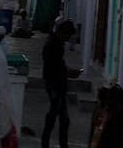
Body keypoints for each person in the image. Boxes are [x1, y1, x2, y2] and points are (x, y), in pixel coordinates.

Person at [41, 19, 79, 148]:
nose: (69, 38)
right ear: (63, 33)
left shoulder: (56, 43)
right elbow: (53, 67)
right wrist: (67, 72)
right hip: (54, 85)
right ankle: (45, 143)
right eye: (68, 35)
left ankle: (61, 144)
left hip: (58, 84)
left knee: (63, 118)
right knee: (54, 116)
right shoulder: (52, 45)